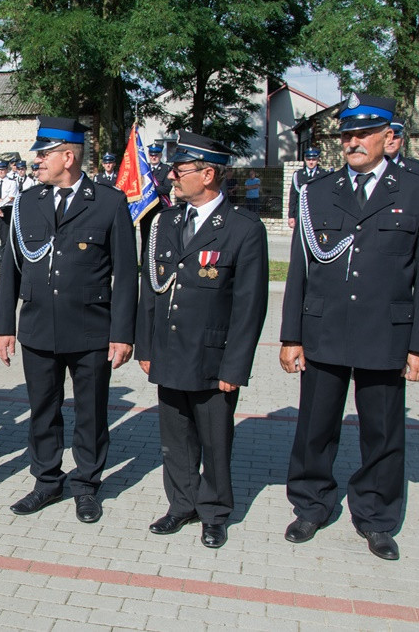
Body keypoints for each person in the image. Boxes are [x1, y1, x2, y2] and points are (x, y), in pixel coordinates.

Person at [279, 93, 419, 561]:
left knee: (383, 432)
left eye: (363, 134)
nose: (352, 142)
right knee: (314, 427)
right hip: (324, 330)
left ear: (388, 138)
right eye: (347, 134)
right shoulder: (317, 192)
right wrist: (291, 335)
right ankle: (311, 504)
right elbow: (300, 271)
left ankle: (376, 517)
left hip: (385, 334)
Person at [0, 117, 137, 523]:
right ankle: (46, 481)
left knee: (90, 411)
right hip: (38, 325)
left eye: (44, 153)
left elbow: (127, 274)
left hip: (91, 328)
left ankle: (87, 485)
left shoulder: (109, 202)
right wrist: (5, 325)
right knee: (43, 408)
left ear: (68, 156)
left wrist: (123, 334)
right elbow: (11, 268)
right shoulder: (27, 201)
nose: (36, 160)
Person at [136, 131, 268, 549]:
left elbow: (250, 307)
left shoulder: (243, 228)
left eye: (180, 170)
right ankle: (181, 504)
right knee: (174, 438)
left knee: (214, 438)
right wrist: (145, 346)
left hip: (213, 357)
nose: (172, 176)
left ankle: (214, 511)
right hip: (170, 351)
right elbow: (150, 287)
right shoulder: (168, 221)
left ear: (208, 174)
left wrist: (235, 366)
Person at [287, 148, 330, 228]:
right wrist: (291, 216)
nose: (311, 162)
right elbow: (293, 196)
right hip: (301, 213)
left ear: (318, 160)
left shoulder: (324, 174)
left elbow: (326, 197)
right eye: (308, 159)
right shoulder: (298, 175)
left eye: (313, 159)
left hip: (318, 214)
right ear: (305, 159)